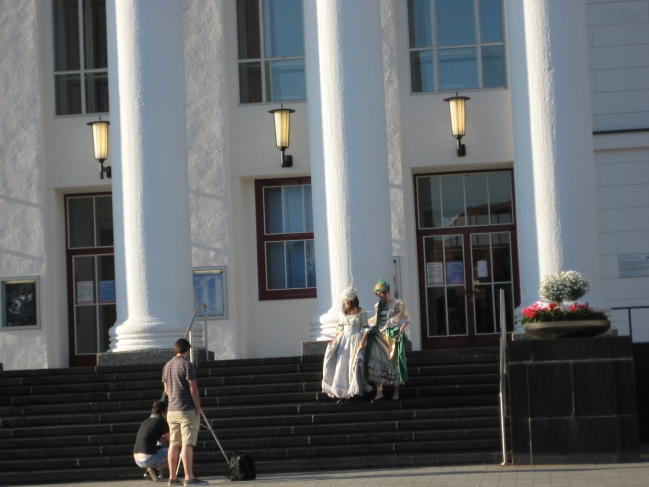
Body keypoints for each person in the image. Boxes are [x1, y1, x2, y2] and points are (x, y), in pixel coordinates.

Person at [162, 338, 208, 486]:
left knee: (174, 444)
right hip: (186, 409)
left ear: (176, 349)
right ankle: (189, 477)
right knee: (188, 443)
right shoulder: (187, 365)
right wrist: (198, 407)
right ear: (187, 350)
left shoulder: (167, 366)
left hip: (171, 410)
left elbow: (166, 390)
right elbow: (193, 388)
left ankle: (172, 477)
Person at [361, 278, 410, 402]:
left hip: (393, 336)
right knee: (378, 362)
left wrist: (402, 327)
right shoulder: (379, 305)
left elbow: (407, 318)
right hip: (380, 336)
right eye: (378, 293)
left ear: (388, 290)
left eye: (381, 293)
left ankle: (396, 392)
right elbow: (377, 320)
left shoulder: (397, 303)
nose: (380, 295)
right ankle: (379, 392)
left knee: (395, 364)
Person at [322, 287, 370, 403]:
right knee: (342, 364)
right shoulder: (342, 313)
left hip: (356, 339)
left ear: (353, 300)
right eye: (345, 301)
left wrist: (362, 342)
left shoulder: (362, 312)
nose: (346, 303)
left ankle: (354, 391)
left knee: (353, 364)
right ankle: (342, 393)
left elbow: (365, 328)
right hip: (344, 340)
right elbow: (340, 327)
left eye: (348, 301)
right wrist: (333, 340)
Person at [133, 401, 170, 482]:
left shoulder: (146, 421)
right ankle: (155, 471)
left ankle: (148, 471)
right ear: (163, 413)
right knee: (175, 453)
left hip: (137, 459)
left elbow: (161, 440)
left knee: (162, 448)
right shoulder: (161, 422)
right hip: (148, 458)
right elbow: (171, 440)